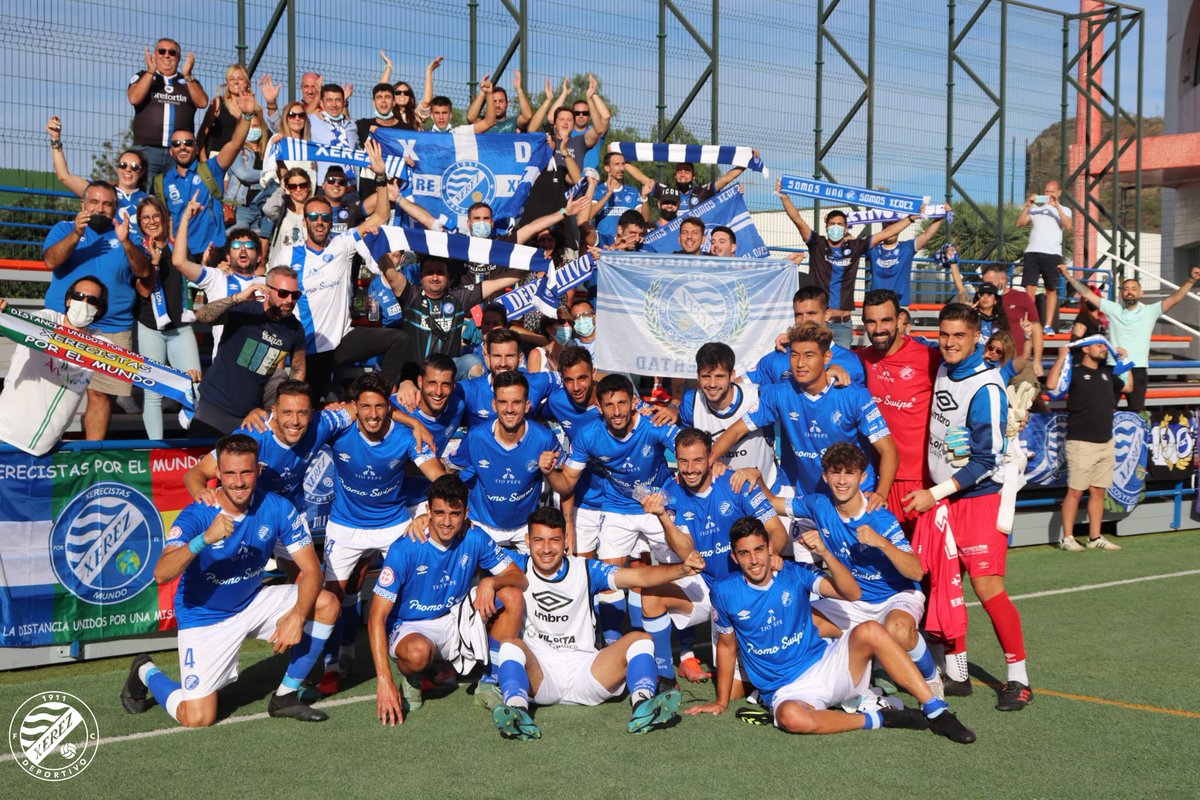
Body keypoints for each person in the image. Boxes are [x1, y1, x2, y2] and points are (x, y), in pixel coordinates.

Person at [684, 517, 976, 744]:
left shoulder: (794, 572)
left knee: (871, 630)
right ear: (734, 558)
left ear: (771, 547)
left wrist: (824, 552)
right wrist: (721, 701)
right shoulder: (723, 592)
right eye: (744, 554)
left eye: (759, 550)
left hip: (828, 665)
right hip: (786, 691)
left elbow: (851, 592)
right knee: (790, 718)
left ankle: (937, 711)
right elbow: (725, 645)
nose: (754, 560)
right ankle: (879, 719)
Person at [119, 434, 339, 726]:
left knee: (326, 602)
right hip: (205, 617)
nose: (238, 482)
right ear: (218, 474)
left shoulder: (277, 507)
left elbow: (312, 570)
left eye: (246, 472)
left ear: (258, 471)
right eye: (230, 474)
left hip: (250, 601)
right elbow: (161, 572)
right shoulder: (198, 514)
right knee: (197, 717)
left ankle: (285, 697)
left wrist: (298, 616)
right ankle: (145, 671)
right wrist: (204, 539)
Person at [902, 303, 1031, 711]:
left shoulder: (988, 387)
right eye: (945, 334)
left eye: (960, 335)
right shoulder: (940, 364)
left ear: (978, 337)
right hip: (944, 498)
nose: (950, 342)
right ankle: (956, 674)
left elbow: (985, 461)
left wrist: (934, 494)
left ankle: (1019, 679)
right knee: (942, 584)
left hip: (977, 499)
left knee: (988, 588)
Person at [488, 506, 704, 739]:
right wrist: (486, 583)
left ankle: (643, 706)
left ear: (566, 540)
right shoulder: (517, 567)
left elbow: (639, 577)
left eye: (555, 540)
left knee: (640, 640)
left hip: (586, 672)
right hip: (540, 676)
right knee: (510, 645)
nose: (547, 548)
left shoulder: (586, 569)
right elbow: (476, 547)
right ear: (528, 540)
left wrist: (681, 570)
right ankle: (518, 712)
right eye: (539, 540)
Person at [754, 443, 939, 697]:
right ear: (825, 476)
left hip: (895, 597)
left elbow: (917, 572)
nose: (842, 481)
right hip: (853, 598)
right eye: (835, 472)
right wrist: (755, 478)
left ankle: (930, 677)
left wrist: (881, 543)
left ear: (862, 478)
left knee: (897, 630)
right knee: (798, 624)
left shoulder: (880, 517)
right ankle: (827, 682)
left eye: (849, 473)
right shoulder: (818, 504)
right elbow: (774, 503)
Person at [319, 373, 446, 695]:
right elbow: (298, 428)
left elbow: (439, 479)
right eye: (365, 407)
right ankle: (334, 663)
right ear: (354, 407)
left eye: (379, 406)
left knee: (411, 589)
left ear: (388, 406)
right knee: (333, 598)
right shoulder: (339, 431)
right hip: (345, 526)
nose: (373, 414)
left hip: (392, 524)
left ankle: (417, 663)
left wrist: (431, 513)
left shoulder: (405, 437)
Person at [368, 474, 529, 725]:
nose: (446, 522)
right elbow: (376, 617)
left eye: (454, 513)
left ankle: (488, 683)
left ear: (466, 513)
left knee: (511, 595)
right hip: (412, 626)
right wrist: (384, 680)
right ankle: (413, 677)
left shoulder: (475, 536)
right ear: (427, 512)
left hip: (455, 617)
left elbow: (519, 578)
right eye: (439, 512)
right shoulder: (405, 548)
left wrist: (491, 581)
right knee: (418, 654)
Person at [640, 428, 789, 685]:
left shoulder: (737, 483)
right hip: (704, 584)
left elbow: (776, 530)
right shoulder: (670, 492)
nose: (690, 469)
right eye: (683, 461)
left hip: (743, 585)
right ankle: (664, 676)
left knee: (740, 687)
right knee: (652, 593)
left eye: (698, 460)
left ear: (711, 458)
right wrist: (663, 517)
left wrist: (770, 557)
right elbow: (687, 553)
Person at [268, 139, 410, 401]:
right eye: (313, 217)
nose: (319, 222)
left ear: (331, 220)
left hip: (341, 341)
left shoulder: (342, 243)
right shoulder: (289, 253)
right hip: (308, 348)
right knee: (312, 405)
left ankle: (380, 395)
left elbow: (379, 217)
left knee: (398, 340)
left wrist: (380, 176)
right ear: (305, 221)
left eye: (324, 217)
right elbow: (274, 295)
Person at [182, 380, 354, 583]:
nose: (295, 421)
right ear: (274, 411)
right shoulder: (252, 436)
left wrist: (402, 389)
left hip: (289, 512)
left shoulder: (322, 423)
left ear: (312, 413)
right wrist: (201, 492)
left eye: (302, 413)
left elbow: (362, 408)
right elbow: (195, 473)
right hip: (246, 515)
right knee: (231, 583)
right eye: (287, 412)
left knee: (309, 582)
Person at [712, 323, 897, 507]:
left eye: (809, 356)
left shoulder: (854, 395)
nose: (800, 364)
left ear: (826, 358)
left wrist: (880, 494)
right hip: (809, 498)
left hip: (856, 496)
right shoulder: (780, 393)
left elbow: (888, 449)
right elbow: (736, 430)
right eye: (794, 355)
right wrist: (709, 461)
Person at [42, 180, 152, 439]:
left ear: (115, 208)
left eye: (107, 204)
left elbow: (145, 272)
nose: (100, 209)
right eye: (94, 202)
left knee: (101, 395)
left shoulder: (128, 235)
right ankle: (43, 450)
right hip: (64, 324)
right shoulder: (64, 229)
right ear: (83, 205)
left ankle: (92, 457)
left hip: (113, 328)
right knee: (52, 389)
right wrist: (76, 235)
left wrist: (126, 243)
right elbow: (51, 261)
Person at [777, 182, 916, 347]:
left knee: (842, 366)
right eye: (832, 224)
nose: (836, 228)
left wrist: (910, 219)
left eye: (840, 225)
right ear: (826, 225)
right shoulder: (817, 244)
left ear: (846, 228)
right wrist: (784, 197)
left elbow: (885, 233)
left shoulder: (855, 246)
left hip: (843, 324)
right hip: (819, 323)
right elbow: (798, 220)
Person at [447, 371, 568, 551]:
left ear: (527, 405)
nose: (509, 409)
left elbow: (566, 484)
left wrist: (549, 472)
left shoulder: (544, 439)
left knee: (541, 576)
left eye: (516, 402)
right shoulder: (476, 437)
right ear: (494, 405)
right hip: (480, 524)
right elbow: (448, 473)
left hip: (525, 527)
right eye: (503, 402)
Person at [856, 289, 941, 536]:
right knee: (888, 565)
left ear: (900, 320)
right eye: (871, 321)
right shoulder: (861, 359)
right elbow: (819, 357)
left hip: (920, 480)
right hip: (879, 479)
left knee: (927, 568)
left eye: (886, 320)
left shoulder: (929, 358)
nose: (878, 328)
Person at [1061, 264, 1200, 412]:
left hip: (1137, 368)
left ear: (1141, 293)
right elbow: (1087, 294)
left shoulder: (1150, 311)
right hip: (1112, 367)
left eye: (1134, 289)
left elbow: (1175, 298)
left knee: (1136, 411)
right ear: (1121, 293)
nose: (1129, 292)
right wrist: (1068, 275)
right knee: (1106, 409)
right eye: (1126, 289)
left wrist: (1191, 280)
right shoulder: (1113, 308)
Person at [190, 267, 306, 436]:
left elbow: (298, 368)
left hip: (251, 417)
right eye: (283, 293)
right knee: (200, 458)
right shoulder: (246, 310)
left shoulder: (294, 328)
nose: (289, 300)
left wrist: (287, 405)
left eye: (295, 295)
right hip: (214, 407)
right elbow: (202, 316)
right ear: (267, 290)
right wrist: (237, 298)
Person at [0, 277, 108, 455]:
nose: (84, 302)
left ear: (99, 309)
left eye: (92, 300)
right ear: (68, 300)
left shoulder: (99, 343)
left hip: (46, 448)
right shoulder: (46, 318)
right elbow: (23, 323)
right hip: (6, 432)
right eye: (78, 296)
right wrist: (6, 311)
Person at [1047, 335, 1132, 551]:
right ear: (1085, 349)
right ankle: (1067, 538)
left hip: (1106, 442)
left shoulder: (1107, 373)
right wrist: (1061, 357)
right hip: (1081, 442)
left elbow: (1129, 387)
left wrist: (1125, 361)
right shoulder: (1074, 371)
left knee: (1098, 491)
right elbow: (1051, 385)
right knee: (1075, 491)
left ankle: (1095, 538)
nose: (1104, 349)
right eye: (1099, 345)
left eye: (1105, 345)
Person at [156, 91, 257, 257]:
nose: (182, 147)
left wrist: (246, 116)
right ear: (171, 151)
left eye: (188, 143)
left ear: (196, 148)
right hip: (180, 255)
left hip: (213, 253)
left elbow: (235, 145)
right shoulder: (162, 182)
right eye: (177, 144)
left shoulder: (211, 169)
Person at [132, 196, 201, 439]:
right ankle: (155, 448)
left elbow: (194, 283)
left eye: (155, 216)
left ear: (163, 218)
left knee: (195, 387)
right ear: (140, 223)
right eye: (145, 218)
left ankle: (193, 446)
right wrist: (154, 262)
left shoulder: (178, 246)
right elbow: (143, 290)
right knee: (153, 394)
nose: (151, 221)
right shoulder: (137, 250)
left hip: (180, 329)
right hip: (150, 328)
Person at [173, 214, 265, 355]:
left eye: (249, 246)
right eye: (236, 246)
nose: (243, 249)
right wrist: (185, 218)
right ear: (228, 256)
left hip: (257, 366)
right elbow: (179, 262)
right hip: (224, 367)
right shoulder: (217, 277)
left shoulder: (268, 284)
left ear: (259, 256)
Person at [47, 116, 148, 237]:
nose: (128, 170)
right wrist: (55, 138)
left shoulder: (149, 200)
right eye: (123, 165)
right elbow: (64, 176)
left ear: (142, 172)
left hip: (137, 253)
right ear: (117, 168)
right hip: (109, 251)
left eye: (134, 167)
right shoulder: (102, 193)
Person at [746, 286, 866, 387]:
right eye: (798, 315)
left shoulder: (850, 361)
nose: (804, 321)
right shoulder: (776, 358)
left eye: (811, 313)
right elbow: (738, 388)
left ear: (827, 315)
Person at [127, 39, 208, 183]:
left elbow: (202, 102)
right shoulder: (142, 76)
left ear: (179, 57)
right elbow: (134, 98)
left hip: (178, 151)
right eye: (161, 51)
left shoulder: (188, 81)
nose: (166, 55)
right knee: (145, 198)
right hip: (146, 150)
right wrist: (151, 72)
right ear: (154, 55)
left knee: (176, 197)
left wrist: (188, 76)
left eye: (172, 52)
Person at [1015, 181, 1073, 334]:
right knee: (1030, 288)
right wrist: (1027, 205)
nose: (1049, 194)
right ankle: (1029, 322)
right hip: (1032, 251)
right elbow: (1019, 223)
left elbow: (1068, 225)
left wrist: (1057, 206)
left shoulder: (1065, 209)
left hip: (1052, 253)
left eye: (1052, 191)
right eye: (1046, 191)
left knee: (1051, 289)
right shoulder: (1035, 208)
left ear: (1059, 192)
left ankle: (1048, 325)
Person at [868, 210, 947, 306]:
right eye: (886, 228)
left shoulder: (907, 248)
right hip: (876, 304)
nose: (890, 232)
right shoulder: (873, 249)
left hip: (900, 304)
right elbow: (853, 244)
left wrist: (942, 215)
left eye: (893, 228)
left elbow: (927, 235)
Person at [981, 263, 1044, 380]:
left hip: (1019, 361)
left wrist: (1037, 361)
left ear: (1003, 279)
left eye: (989, 283)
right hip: (992, 362)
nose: (987, 286)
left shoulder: (1021, 297)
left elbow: (1036, 327)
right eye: (984, 283)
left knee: (1026, 393)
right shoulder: (984, 300)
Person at [589, 152, 651, 246]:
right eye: (617, 164)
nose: (622, 168)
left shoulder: (632, 192)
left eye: (623, 164)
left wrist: (644, 198)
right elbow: (590, 214)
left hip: (625, 244)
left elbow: (644, 219)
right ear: (607, 168)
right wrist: (608, 194)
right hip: (603, 244)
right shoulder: (597, 190)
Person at [307, 84, 358, 184]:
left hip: (350, 187)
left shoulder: (351, 125)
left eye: (338, 100)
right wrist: (272, 104)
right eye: (329, 100)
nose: (334, 104)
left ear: (343, 102)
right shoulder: (312, 122)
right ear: (321, 103)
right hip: (323, 186)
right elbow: (291, 120)